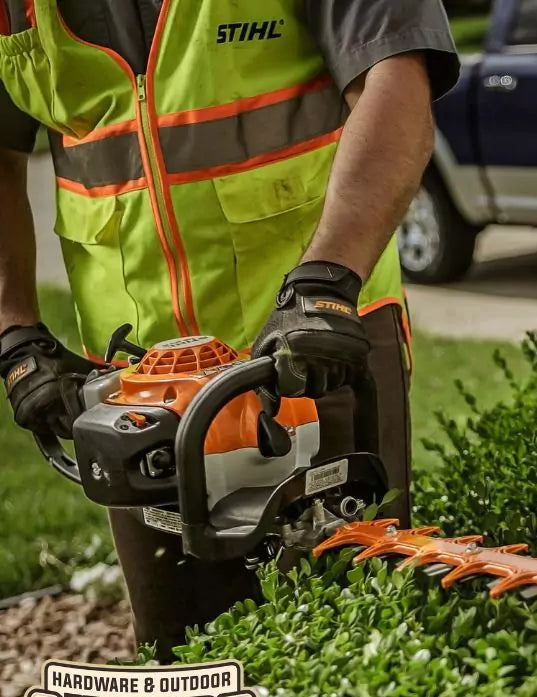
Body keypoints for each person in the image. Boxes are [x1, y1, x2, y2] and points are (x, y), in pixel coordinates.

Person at [0, 0, 460, 660]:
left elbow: (397, 81)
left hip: (314, 353)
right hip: (136, 394)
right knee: (186, 667)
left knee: (351, 654)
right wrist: (14, 328)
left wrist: (328, 278)